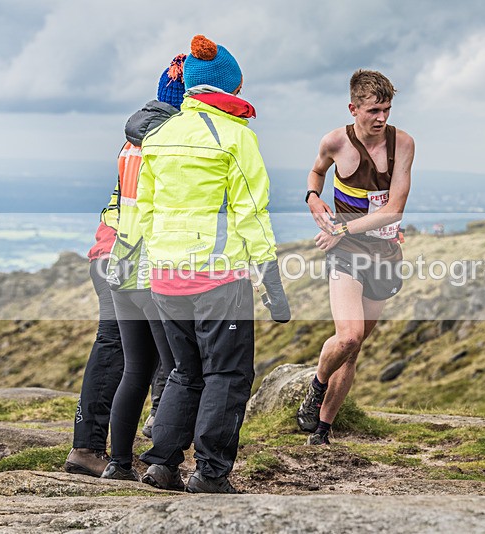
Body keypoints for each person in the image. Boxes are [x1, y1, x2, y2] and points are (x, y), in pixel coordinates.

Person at [137, 34, 290, 493]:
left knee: (185, 371)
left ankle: (162, 464)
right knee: (227, 374)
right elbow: (251, 214)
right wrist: (272, 285)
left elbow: (143, 208)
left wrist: (144, 272)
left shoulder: (159, 136)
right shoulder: (236, 138)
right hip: (218, 278)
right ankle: (210, 473)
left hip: (165, 276)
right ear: (228, 87)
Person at [297, 69, 415, 445]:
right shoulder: (335, 142)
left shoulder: (404, 144)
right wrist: (313, 198)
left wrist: (340, 229)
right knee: (348, 337)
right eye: (373, 111)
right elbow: (316, 172)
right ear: (353, 108)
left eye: (387, 109)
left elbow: (394, 210)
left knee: (354, 351)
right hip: (347, 254)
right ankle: (315, 389)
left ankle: (322, 430)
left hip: (384, 254)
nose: (381, 118)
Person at [97, 55, 189, 480]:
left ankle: (117, 465)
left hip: (122, 264)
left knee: (135, 370)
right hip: (153, 270)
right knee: (175, 368)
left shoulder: (129, 144)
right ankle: (160, 463)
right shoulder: (170, 145)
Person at [64, 183, 122, 477]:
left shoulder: (135, 141)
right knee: (114, 347)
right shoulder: (157, 142)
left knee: (122, 348)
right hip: (123, 259)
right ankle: (86, 449)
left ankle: (90, 448)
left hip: (110, 256)